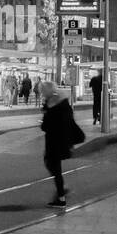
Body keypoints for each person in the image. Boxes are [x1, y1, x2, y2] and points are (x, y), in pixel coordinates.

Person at [39, 80, 85, 208]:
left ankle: (61, 197)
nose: (42, 94)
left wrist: (45, 118)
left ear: (47, 91)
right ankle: (61, 194)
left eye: (42, 91)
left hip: (55, 141)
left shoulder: (53, 105)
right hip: (61, 141)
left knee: (53, 166)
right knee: (53, 165)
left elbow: (47, 125)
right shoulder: (62, 102)